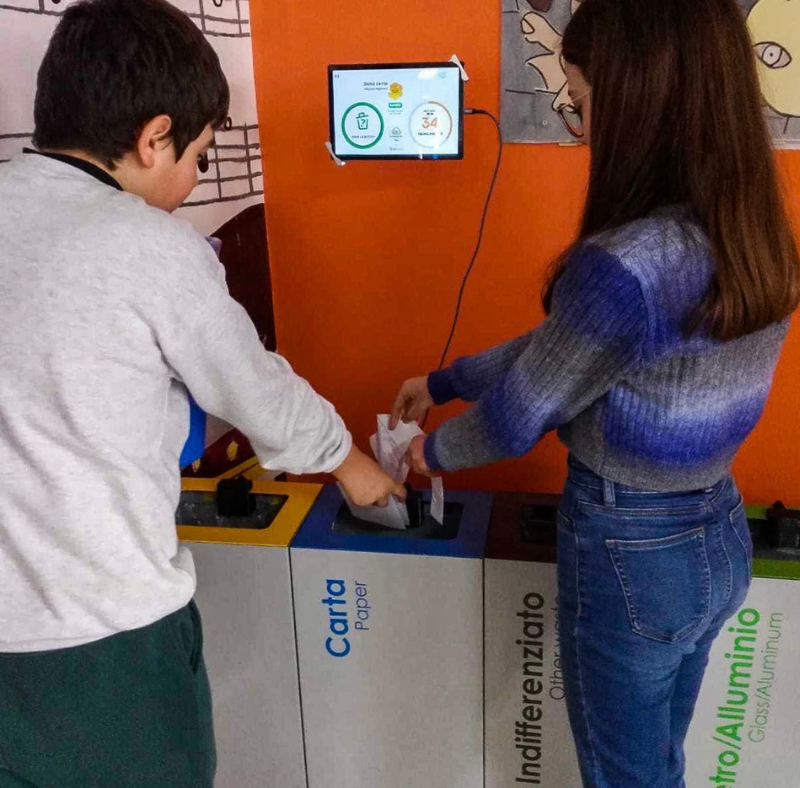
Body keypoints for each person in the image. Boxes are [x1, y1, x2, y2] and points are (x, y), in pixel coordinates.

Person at [391, 0, 799, 785]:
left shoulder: (627, 264)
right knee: (658, 768)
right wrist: (443, 381)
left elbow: (517, 418)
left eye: (580, 102)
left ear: (640, 98)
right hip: (718, 530)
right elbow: (568, 352)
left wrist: (426, 453)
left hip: (632, 551)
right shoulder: (749, 234)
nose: (579, 130)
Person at [0, 1, 404, 786]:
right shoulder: (147, 244)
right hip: (103, 645)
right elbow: (258, 391)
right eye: (201, 157)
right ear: (155, 137)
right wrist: (354, 466)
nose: (193, 182)